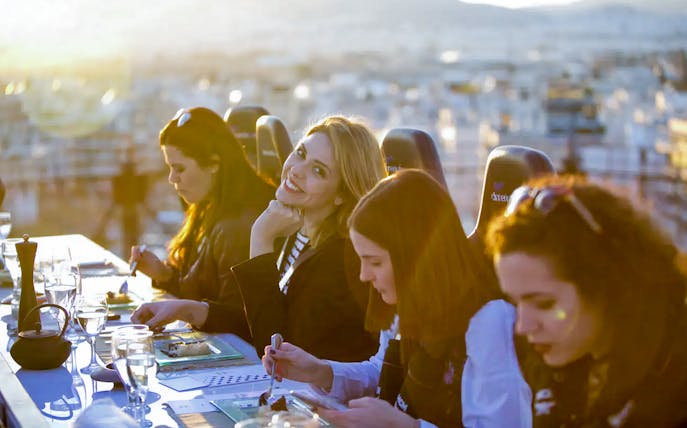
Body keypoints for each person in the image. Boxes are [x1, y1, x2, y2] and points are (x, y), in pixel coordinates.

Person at [262, 169, 531, 427]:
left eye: (375, 262)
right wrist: (320, 371)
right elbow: (384, 373)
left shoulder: (489, 322)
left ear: (413, 258)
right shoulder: (410, 300)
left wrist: (408, 427)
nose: (365, 276)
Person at [132, 115, 386, 361]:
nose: (297, 170)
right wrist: (189, 309)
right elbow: (263, 318)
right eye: (300, 153)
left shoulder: (340, 258)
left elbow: (276, 347)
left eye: (318, 171)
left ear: (341, 193)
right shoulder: (299, 232)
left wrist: (261, 239)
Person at [486, 175, 687, 427]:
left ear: (605, 286)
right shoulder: (563, 357)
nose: (523, 326)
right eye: (515, 303)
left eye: (545, 304)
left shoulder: (671, 392)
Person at [129, 107, 274, 305]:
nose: (172, 178)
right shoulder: (209, 205)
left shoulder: (237, 228)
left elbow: (231, 316)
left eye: (179, 168)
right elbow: (202, 295)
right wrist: (164, 275)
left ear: (214, 163)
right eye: (170, 168)